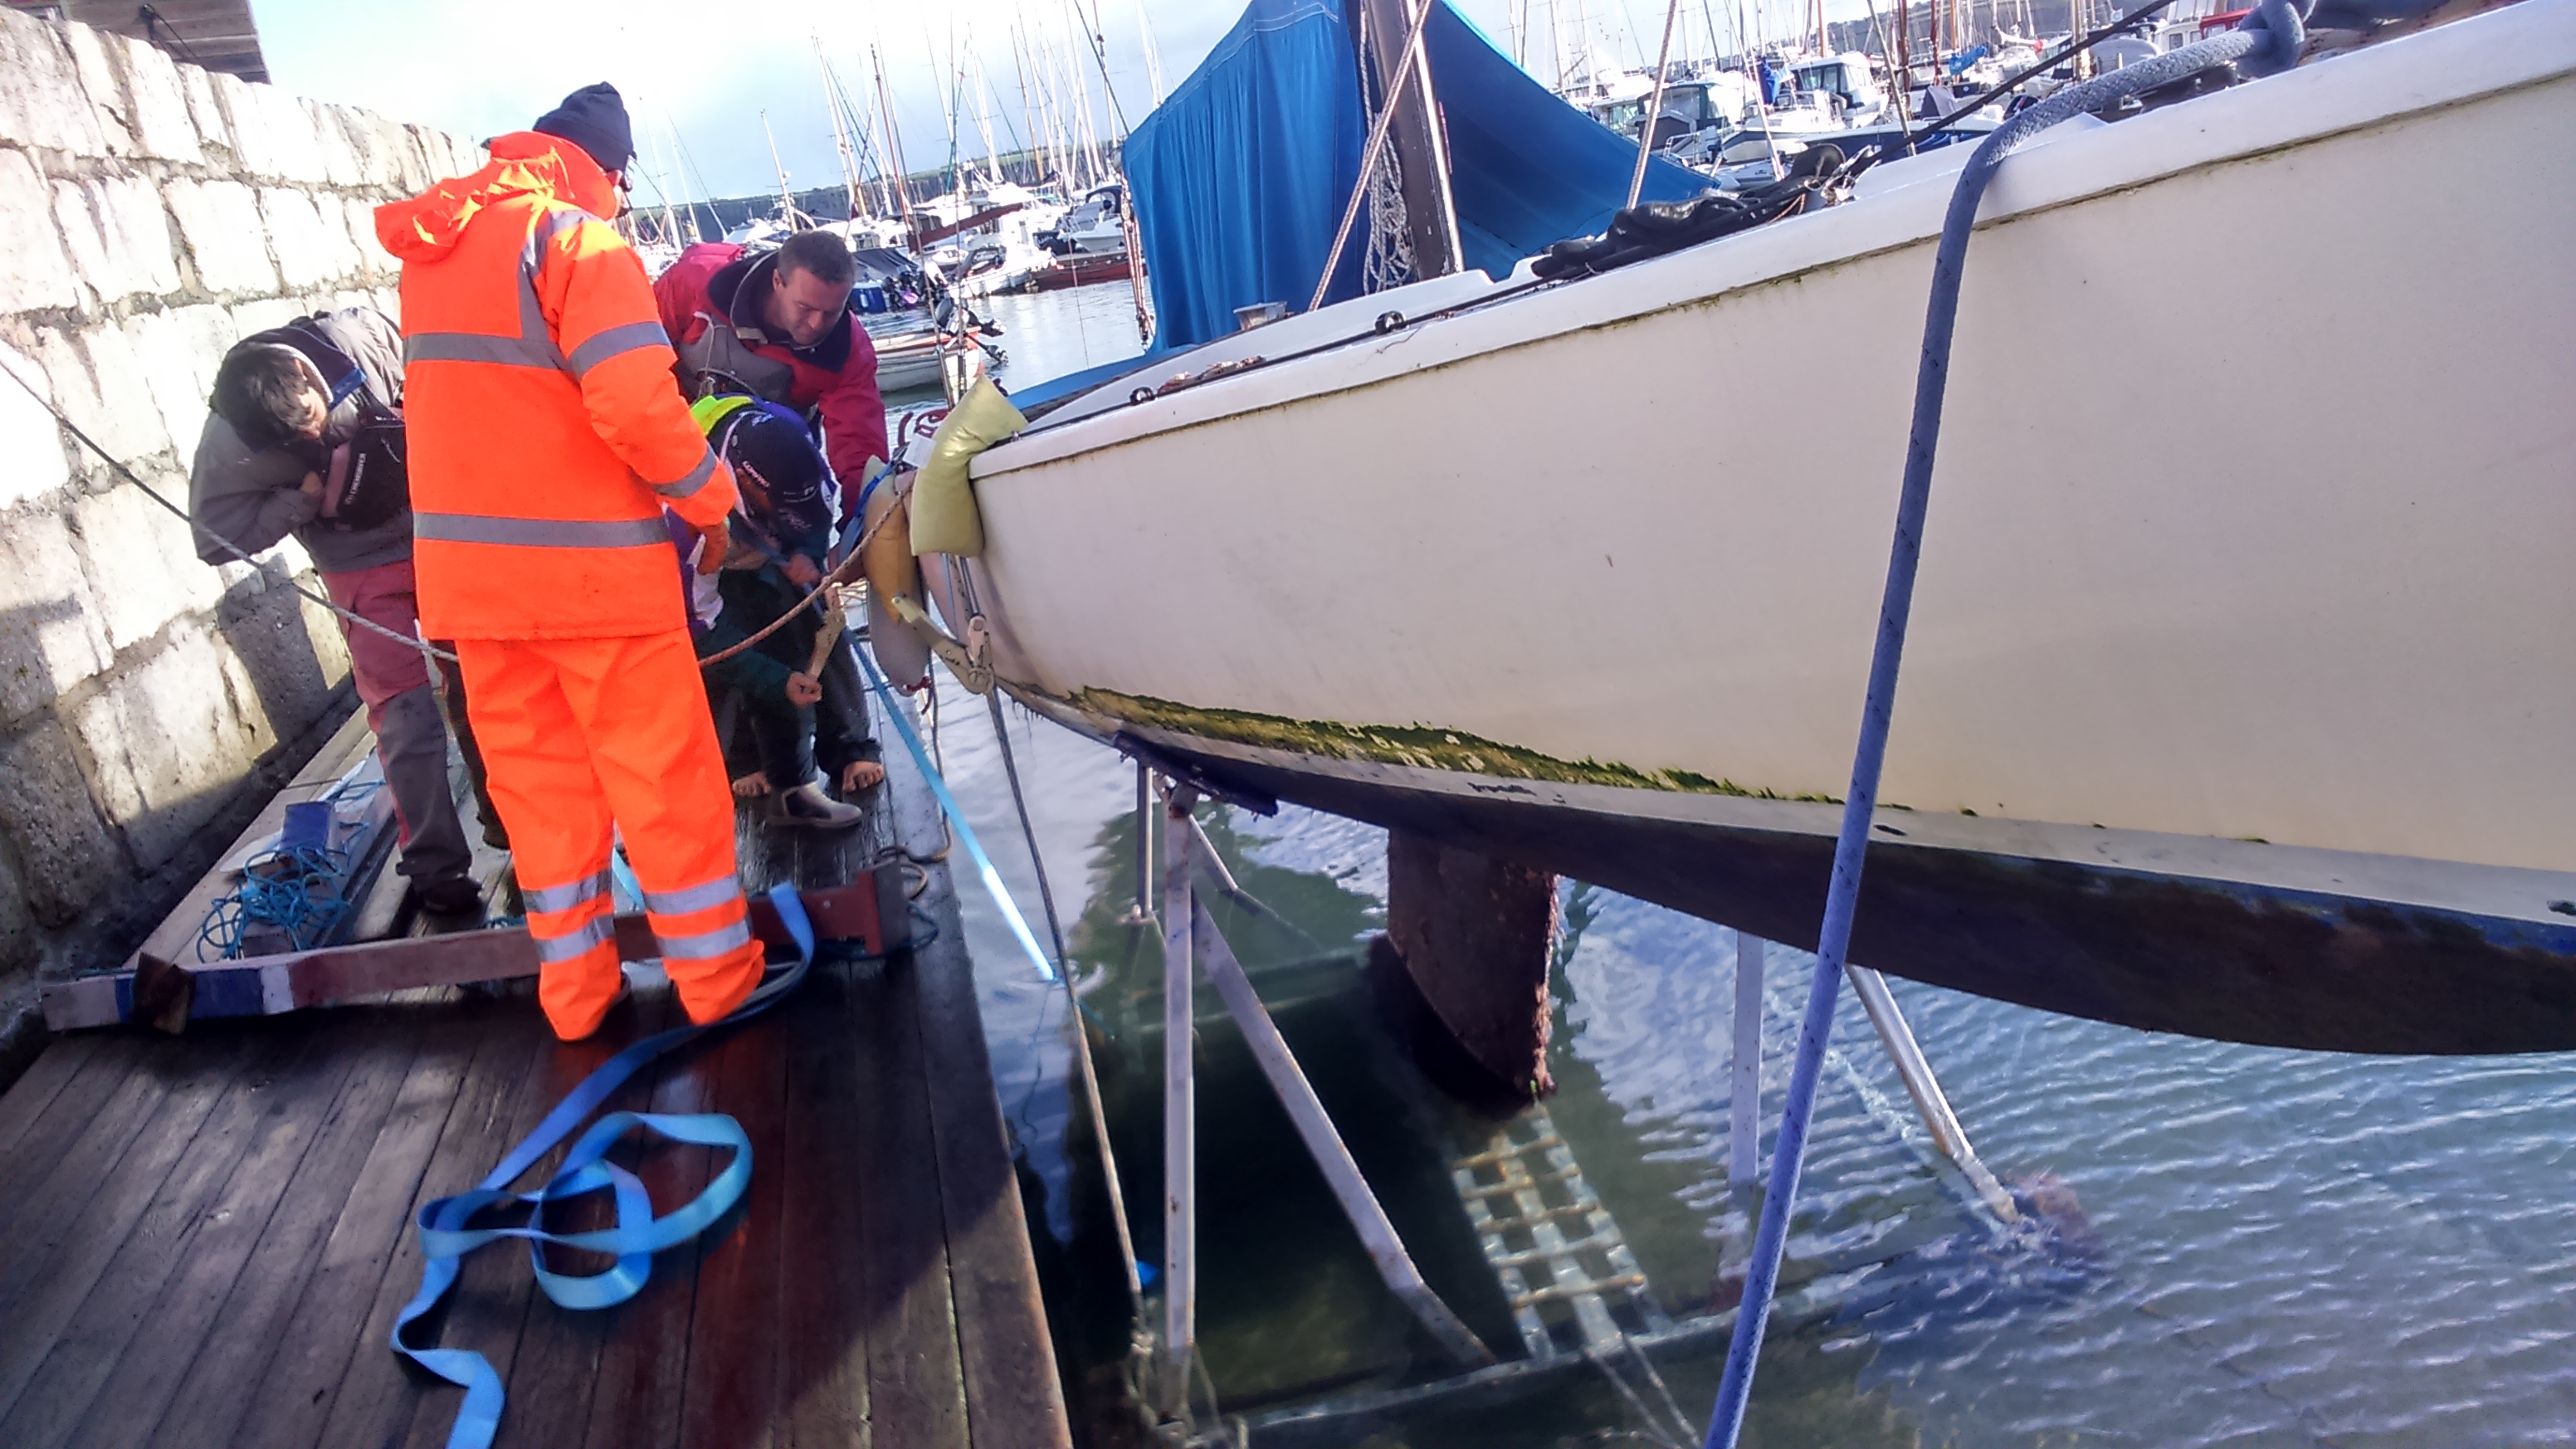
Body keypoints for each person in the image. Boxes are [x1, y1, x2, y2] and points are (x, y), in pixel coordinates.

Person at [374, 82, 765, 1042]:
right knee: (664, 789)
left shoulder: (436, 250)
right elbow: (633, 405)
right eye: (623, 184)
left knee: (541, 806)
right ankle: (716, 983)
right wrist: (713, 501)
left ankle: (577, 1000)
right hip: (596, 586)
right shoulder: (576, 241)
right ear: (608, 169)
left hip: (476, 596)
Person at [188, 305, 496, 918]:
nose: (309, 438)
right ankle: (437, 870)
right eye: (290, 443)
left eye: (311, 420)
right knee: (405, 717)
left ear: (310, 378)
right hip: (358, 566)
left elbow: (441, 376)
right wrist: (298, 504)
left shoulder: (361, 339)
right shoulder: (228, 446)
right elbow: (213, 539)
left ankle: (512, 820)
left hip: (441, 538)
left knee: (487, 685)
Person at [676, 396, 886, 828]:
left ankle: (847, 748)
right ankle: (749, 761)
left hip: (765, 544)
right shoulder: (687, 507)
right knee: (737, 656)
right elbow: (703, 629)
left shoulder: (792, 436)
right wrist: (775, 679)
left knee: (820, 628)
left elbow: (817, 512)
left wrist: (807, 550)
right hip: (713, 559)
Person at [653, 228, 890, 511]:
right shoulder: (697, 280)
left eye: (832, 313)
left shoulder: (847, 349)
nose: (816, 324)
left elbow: (859, 450)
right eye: (805, 307)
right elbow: (634, 363)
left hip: (776, 486)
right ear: (777, 281)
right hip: (673, 455)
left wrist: (860, 527)